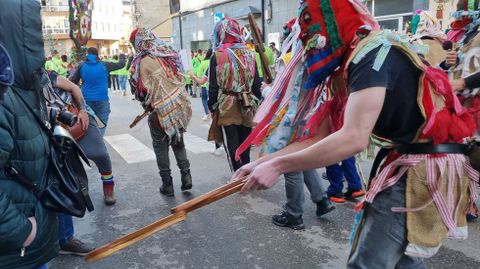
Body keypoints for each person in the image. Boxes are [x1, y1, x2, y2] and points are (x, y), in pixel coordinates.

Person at [233, 0, 478, 268]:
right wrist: (261, 162)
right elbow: (321, 136)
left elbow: (353, 138)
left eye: (312, 36)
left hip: (424, 167)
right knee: (404, 261)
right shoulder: (356, 58)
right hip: (418, 162)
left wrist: (278, 166)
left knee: (368, 263)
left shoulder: (371, 54)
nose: (309, 45)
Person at [0, 0, 59, 267]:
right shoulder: (4, 96)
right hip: (17, 249)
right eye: (36, 27)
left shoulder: (25, 84)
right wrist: (22, 231)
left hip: (31, 241)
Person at [129, 28, 193, 197]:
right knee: (178, 141)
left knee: (160, 147)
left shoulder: (139, 62)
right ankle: (186, 176)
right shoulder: (166, 53)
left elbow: (139, 91)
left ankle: (168, 185)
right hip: (178, 106)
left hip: (158, 111)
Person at [208, 17, 262, 172]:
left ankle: (237, 173)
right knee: (245, 140)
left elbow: (213, 85)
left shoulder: (217, 55)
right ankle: (246, 171)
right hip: (248, 101)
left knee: (231, 141)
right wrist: (257, 101)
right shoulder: (249, 54)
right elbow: (256, 82)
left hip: (226, 103)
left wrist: (212, 106)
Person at [70, 48, 125, 136]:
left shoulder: (81, 66)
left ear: (87, 55)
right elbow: (121, 64)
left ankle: (91, 144)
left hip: (86, 102)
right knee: (101, 127)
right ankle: (98, 143)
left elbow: (72, 81)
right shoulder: (105, 65)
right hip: (102, 101)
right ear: (97, 55)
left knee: (88, 127)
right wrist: (122, 56)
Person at [191, 48, 213, 121]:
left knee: (204, 99)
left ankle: (207, 114)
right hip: (215, 87)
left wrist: (195, 77)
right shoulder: (216, 62)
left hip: (205, 85)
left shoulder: (203, 62)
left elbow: (199, 75)